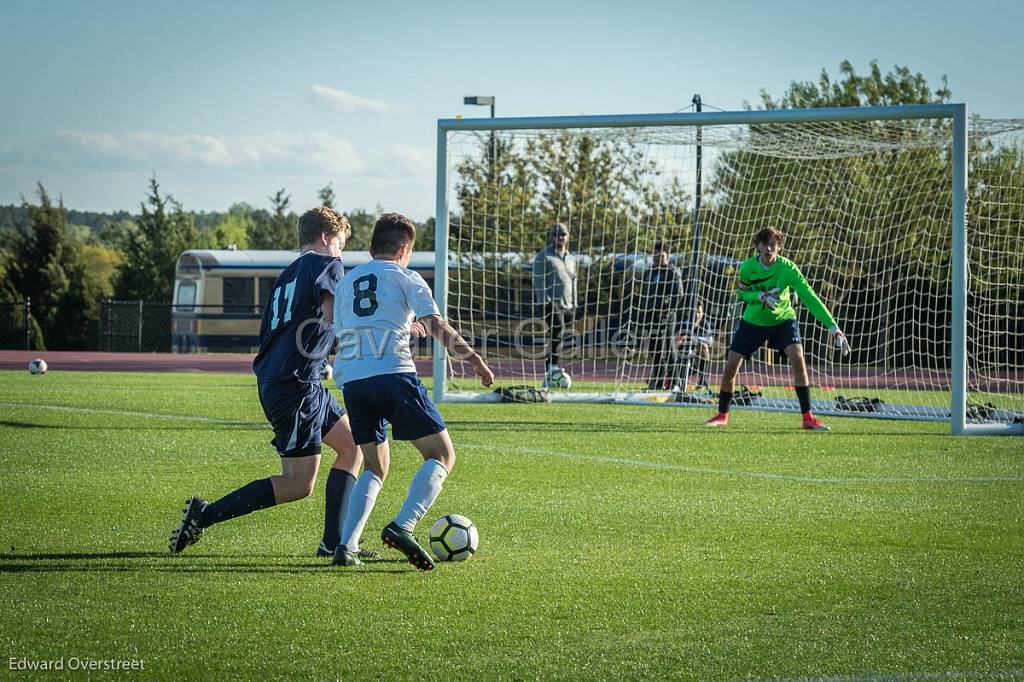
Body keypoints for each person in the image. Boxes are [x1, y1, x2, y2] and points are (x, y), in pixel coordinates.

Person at [169, 207, 378, 561]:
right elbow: (333, 316)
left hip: (297, 381)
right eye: (341, 243)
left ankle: (335, 544)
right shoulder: (328, 265)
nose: (342, 252)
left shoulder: (287, 274)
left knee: (353, 447)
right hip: (295, 386)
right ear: (326, 238)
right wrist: (371, 345)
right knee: (299, 484)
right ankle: (203, 516)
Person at [331, 212, 494, 570]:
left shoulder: (346, 282)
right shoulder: (408, 277)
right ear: (405, 250)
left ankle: (347, 545)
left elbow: (350, 328)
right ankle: (403, 525)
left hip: (354, 381)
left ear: (372, 248)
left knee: (374, 466)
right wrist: (474, 358)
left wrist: (404, 326)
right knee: (441, 455)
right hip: (393, 375)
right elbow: (436, 324)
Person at [705, 226, 850, 430]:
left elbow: (809, 297)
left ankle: (808, 417)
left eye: (773, 244)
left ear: (779, 247)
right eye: (765, 244)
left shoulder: (788, 269)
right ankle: (722, 414)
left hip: (783, 321)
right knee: (731, 366)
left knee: (798, 359)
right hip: (753, 322)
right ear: (758, 246)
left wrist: (834, 327)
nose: (769, 248)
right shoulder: (747, 268)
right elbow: (742, 294)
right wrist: (759, 297)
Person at [532, 222, 578, 385]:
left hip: (569, 304)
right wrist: (545, 301)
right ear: (552, 236)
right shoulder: (543, 257)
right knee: (557, 330)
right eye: (557, 234)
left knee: (561, 335)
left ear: (567, 237)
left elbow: (574, 281)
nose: (560, 237)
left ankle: (551, 368)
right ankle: (551, 366)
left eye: (563, 234)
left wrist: (575, 303)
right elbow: (538, 280)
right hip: (550, 302)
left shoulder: (571, 258)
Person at [638, 242, 686, 391]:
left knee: (667, 349)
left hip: (666, 316)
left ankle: (674, 383)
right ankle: (658, 382)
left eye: (661, 256)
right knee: (654, 350)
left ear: (667, 256)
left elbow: (678, 294)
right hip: (650, 316)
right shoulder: (649, 272)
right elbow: (644, 293)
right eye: (655, 255)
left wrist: (666, 305)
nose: (658, 258)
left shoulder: (672, 272)